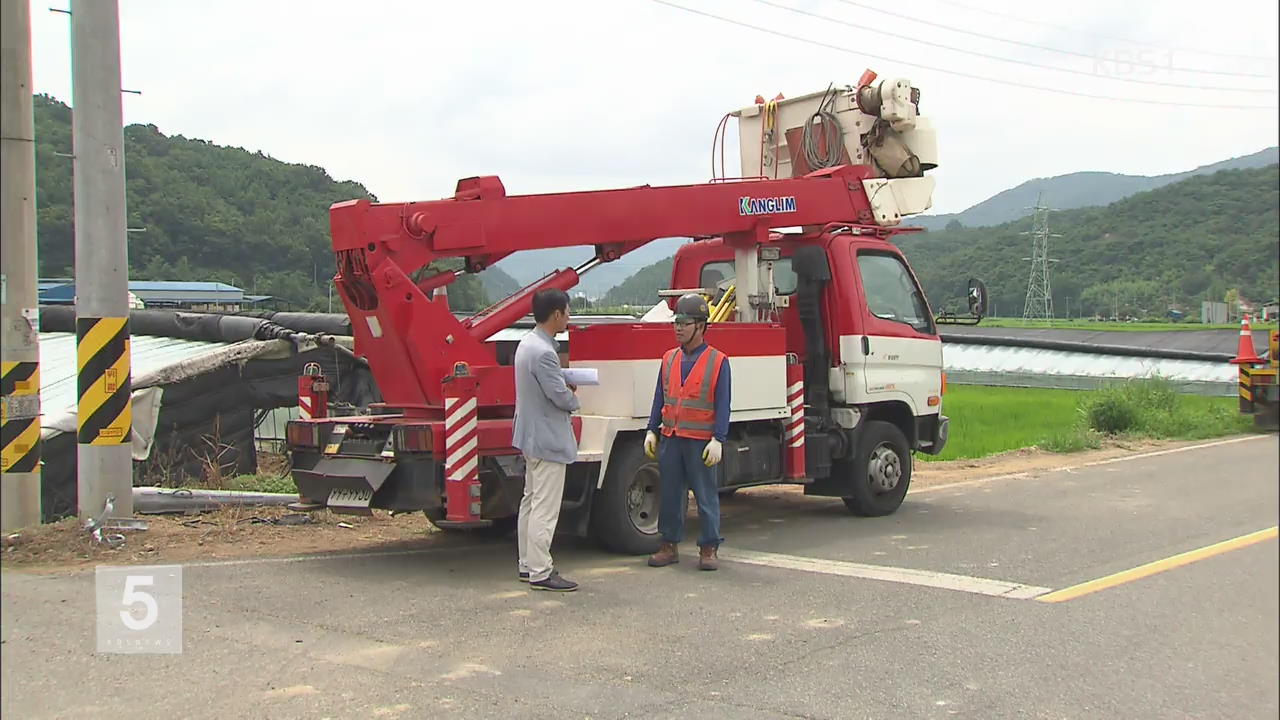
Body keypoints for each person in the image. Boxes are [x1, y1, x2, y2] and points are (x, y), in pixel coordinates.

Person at [644, 293, 731, 571]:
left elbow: (723, 403)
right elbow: (660, 397)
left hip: (700, 441)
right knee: (670, 494)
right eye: (676, 322)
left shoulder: (718, 361)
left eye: (684, 322)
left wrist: (718, 438)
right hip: (671, 438)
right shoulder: (669, 359)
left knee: (705, 495)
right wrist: (651, 429)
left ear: (701, 326)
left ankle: (709, 548)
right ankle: (669, 545)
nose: (678, 327)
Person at [512, 288, 580, 592]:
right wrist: (573, 395)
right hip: (548, 438)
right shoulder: (545, 353)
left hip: (529, 435)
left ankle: (528, 563)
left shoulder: (527, 344)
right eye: (567, 312)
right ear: (556, 314)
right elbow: (560, 397)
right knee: (545, 507)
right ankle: (541, 570)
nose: (568, 317)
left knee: (530, 501)